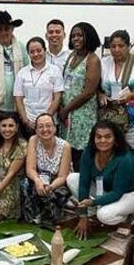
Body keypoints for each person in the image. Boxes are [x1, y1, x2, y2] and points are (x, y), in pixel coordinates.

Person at [68, 121, 134, 237]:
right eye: (98, 137)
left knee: (104, 215)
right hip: (107, 189)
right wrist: (83, 216)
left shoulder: (124, 158)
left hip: (131, 194)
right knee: (72, 178)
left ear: (115, 139)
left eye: (108, 137)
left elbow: (117, 193)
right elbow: (83, 184)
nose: (103, 141)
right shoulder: (88, 153)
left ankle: (126, 216)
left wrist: (93, 202)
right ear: (93, 139)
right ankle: (95, 209)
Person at [99, 30, 134, 151]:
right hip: (109, 116)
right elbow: (95, 85)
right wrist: (100, 95)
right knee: (109, 149)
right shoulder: (104, 62)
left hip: (132, 117)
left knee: (131, 152)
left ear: (129, 46)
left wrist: (132, 96)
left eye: (121, 46)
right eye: (113, 46)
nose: (117, 50)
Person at [59, 22, 101, 164]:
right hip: (66, 115)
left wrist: (66, 109)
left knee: (81, 154)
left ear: (88, 37)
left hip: (83, 114)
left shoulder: (93, 59)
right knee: (66, 152)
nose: (76, 39)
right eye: (73, 36)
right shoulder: (71, 55)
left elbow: (89, 92)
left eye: (80, 35)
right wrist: (62, 108)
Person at [22, 113, 72, 224]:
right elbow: (30, 169)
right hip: (39, 178)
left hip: (57, 182)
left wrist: (51, 186)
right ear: (36, 130)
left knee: (53, 195)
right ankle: (33, 216)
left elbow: (63, 176)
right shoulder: (33, 140)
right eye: (40, 126)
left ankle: (49, 218)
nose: (45, 129)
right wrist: (38, 181)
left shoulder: (65, 146)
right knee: (27, 185)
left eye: (48, 125)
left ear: (54, 128)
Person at [14, 37, 64, 133]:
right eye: (32, 52)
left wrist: (46, 119)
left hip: (49, 122)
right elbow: (18, 99)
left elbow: (57, 97)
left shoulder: (55, 71)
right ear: (28, 54)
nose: (36, 54)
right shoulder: (22, 73)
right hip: (29, 123)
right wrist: (26, 120)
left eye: (39, 50)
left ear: (45, 51)